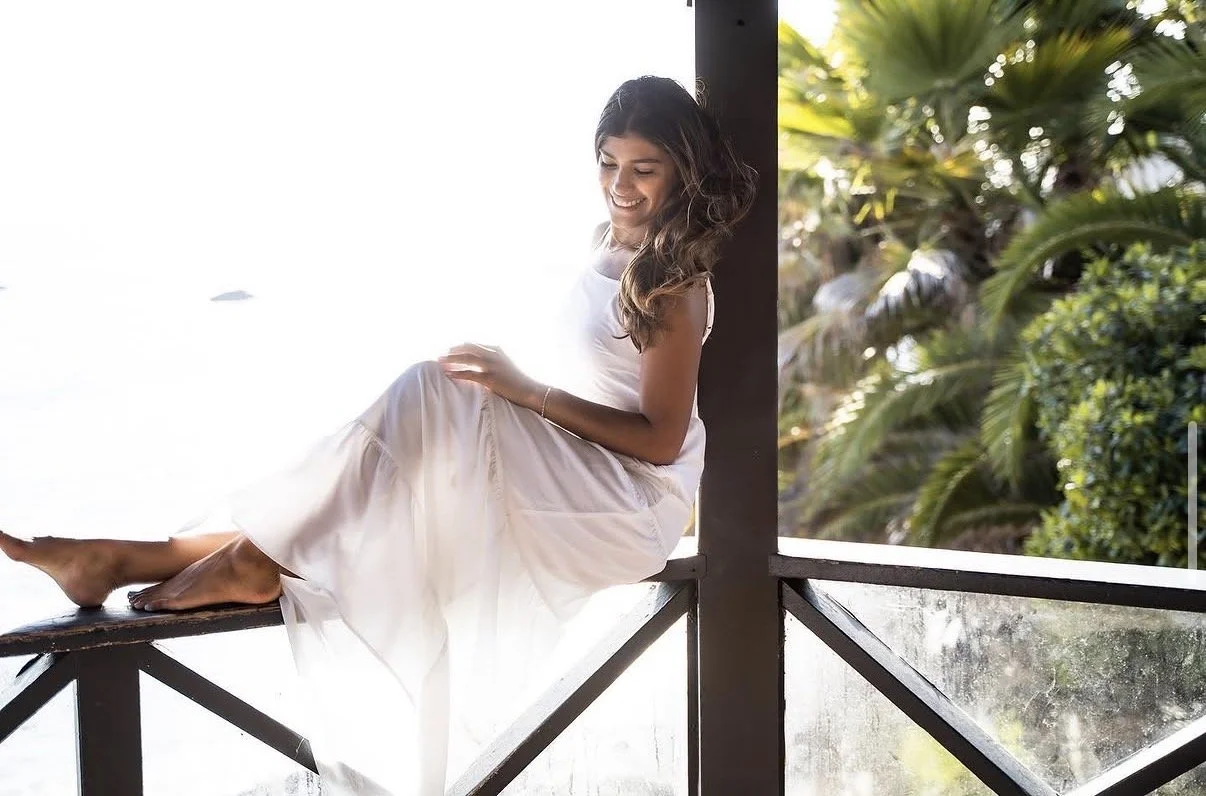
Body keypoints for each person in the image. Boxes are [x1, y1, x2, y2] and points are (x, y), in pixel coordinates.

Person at [0, 75, 756, 794]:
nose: (622, 185)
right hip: (581, 469)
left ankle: (236, 560)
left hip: (629, 501)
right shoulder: (610, 245)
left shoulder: (675, 283)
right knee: (407, 439)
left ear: (682, 172)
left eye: (644, 169)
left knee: (429, 396)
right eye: (608, 163)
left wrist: (524, 392)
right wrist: (515, 400)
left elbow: (660, 441)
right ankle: (128, 558)